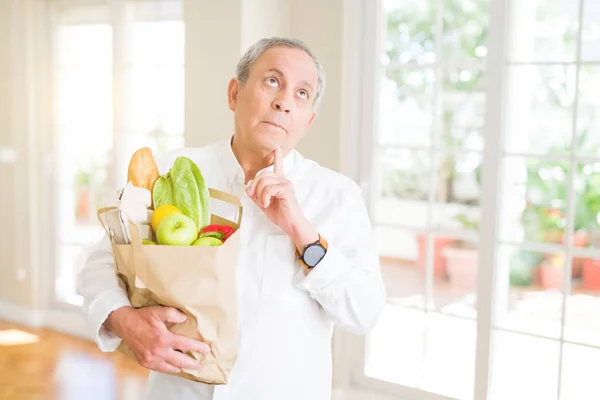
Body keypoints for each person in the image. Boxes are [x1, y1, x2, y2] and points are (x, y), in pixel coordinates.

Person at [78, 37, 386, 400]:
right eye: (272, 80)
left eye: (302, 94)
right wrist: (122, 320)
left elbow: (364, 312)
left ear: (308, 121)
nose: (284, 102)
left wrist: (300, 230)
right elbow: (99, 264)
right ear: (234, 94)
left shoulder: (337, 196)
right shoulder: (169, 172)